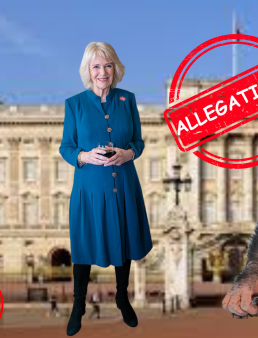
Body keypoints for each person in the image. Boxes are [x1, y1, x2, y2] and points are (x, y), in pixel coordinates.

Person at [60, 41, 152, 336]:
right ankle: (78, 305)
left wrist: (129, 153)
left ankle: (123, 298)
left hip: (122, 181)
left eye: (108, 65)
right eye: (97, 66)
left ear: (115, 69)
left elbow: (137, 141)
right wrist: (84, 156)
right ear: (88, 71)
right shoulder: (74, 104)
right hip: (89, 185)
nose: (103, 72)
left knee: (122, 241)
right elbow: (66, 147)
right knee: (85, 246)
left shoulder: (128, 100)